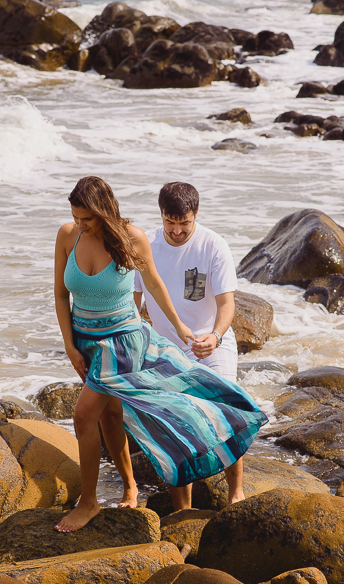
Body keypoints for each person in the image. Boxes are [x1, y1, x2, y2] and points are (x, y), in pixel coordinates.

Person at [53, 176, 267, 532]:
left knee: (85, 416)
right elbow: (63, 295)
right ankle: (140, 492)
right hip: (88, 341)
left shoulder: (140, 239)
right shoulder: (68, 235)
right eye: (76, 217)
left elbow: (156, 283)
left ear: (103, 212)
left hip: (130, 342)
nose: (80, 224)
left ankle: (90, 502)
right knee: (110, 415)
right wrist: (69, 345)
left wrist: (188, 329)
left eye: (86, 218)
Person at [133, 181, 246, 511]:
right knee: (176, 424)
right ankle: (183, 509)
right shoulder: (147, 246)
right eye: (170, 222)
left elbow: (227, 304)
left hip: (210, 342)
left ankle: (236, 492)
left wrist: (216, 336)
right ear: (161, 215)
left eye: (184, 222)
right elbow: (133, 302)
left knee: (226, 410)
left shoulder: (213, 245)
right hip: (165, 349)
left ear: (196, 214)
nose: (177, 230)